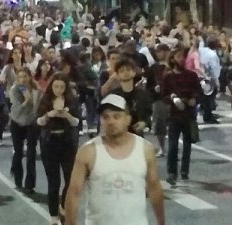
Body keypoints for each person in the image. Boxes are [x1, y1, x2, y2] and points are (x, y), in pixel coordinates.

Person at [64, 94, 165, 225]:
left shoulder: (145, 149)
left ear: (128, 119)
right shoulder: (88, 152)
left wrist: (161, 222)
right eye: (106, 117)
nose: (111, 121)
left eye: (117, 116)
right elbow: (74, 192)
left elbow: (154, 187)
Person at [37, 73, 80, 225]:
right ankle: (53, 216)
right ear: (51, 86)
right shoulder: (46, 99)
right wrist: (49, 114)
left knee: (70, 179)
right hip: (49, 143)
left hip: (67, 143)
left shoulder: (71, 100)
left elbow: (76, 122)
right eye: (56, 86)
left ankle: (63, 205)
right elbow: (39, 121)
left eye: (62, 87)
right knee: (53, 182)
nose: (59, 90)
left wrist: (67, 115)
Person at [162, 47, 201, 186]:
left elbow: (198, 91)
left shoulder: (192, 75)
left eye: (183, 56)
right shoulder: (168, 76)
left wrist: (194, 99)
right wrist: (173, 99)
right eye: (178, 56)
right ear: (173, 59)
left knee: (187, 145)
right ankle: (172, 172)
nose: (181, 59)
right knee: (172, 145)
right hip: (173, 115)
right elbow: (163, 95)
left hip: (188, 114)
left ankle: (185, 170)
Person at [9, 67, 40, 194]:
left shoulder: (35, 89)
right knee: (18, 151)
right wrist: (26, 99)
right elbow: (16, 109)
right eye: (20, 77)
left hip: (31, 122)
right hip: (17, 121)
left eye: (25, 76)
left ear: (29, 77)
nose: (22, 79)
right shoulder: (14, 89)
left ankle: (30, 184)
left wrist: (31, 98)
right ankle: (18, 178)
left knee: (31, 152)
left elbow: (36, 106)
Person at [109, 58, 152, 137]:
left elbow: (148, 113)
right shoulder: (112, 96)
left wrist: (144, 122)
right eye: (122, 71)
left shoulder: (143, 94)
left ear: (134, 72)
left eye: (128, 70)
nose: (125, 72)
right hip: (117, 137)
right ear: (117, 75)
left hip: (137, 136)